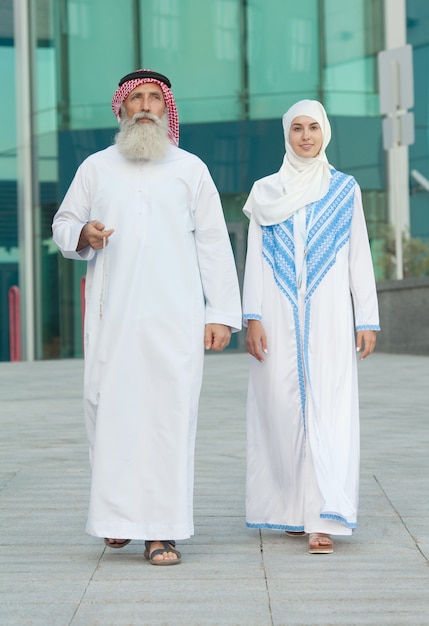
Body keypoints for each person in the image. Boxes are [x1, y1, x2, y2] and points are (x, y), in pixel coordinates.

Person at [52, 69, 241, 565]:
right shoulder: (95, 167)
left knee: (167, 420)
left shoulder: (191, 169)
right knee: (108, 413)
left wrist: (219, 313)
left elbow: (214, 243)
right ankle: (116, 520)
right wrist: (83, 235)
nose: (145, 105)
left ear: (166, 109)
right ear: (121, 107)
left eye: (154, 98)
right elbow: (63, 222)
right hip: (112, 317)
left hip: (174, 319)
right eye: (136, 97)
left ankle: (161, 531)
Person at [242, 100, 379, 554]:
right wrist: (253, 317)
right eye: (297, 128)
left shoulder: (344, 189)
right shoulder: (265, 191)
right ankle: (292, 511)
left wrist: (366, 318)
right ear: (287, 136)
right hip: (277, 319)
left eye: (313, 128)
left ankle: (324, 517)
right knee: (280, 412)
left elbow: (359, 255)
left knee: (329, 410)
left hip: (331, 320)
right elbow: (255, 260)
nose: (305, 136)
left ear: (325, 133)